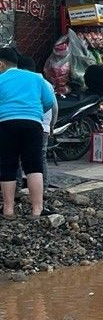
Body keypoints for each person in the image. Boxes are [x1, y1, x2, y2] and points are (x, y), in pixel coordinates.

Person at [0, 47, 55, 218]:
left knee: (7, 165)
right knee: (33, 165)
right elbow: (48, 102)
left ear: (1, 64)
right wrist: (34, 113)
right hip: (32, 124)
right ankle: (37, 210)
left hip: (6, 124)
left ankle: (8, 209)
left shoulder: (1, 79)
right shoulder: (35, 78)